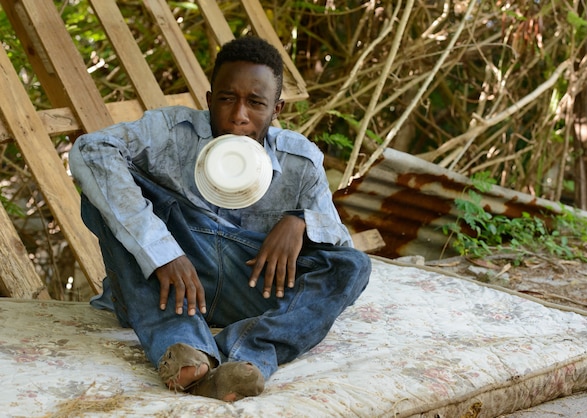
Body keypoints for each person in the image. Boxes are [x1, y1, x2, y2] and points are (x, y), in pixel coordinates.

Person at [69, 36, 371, 401]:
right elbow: (91, 150)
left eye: (255, 103)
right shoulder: (171, 132)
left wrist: (302, 220)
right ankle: (186, 350)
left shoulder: (300, 161)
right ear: (209, 99)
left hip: (251, 283)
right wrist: (162, 251)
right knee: (104, 191)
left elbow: (340, 243)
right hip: (166, 282)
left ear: (276, 110)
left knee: (351, 267)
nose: (239, 115)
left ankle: (245, 354)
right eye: (227, 98)